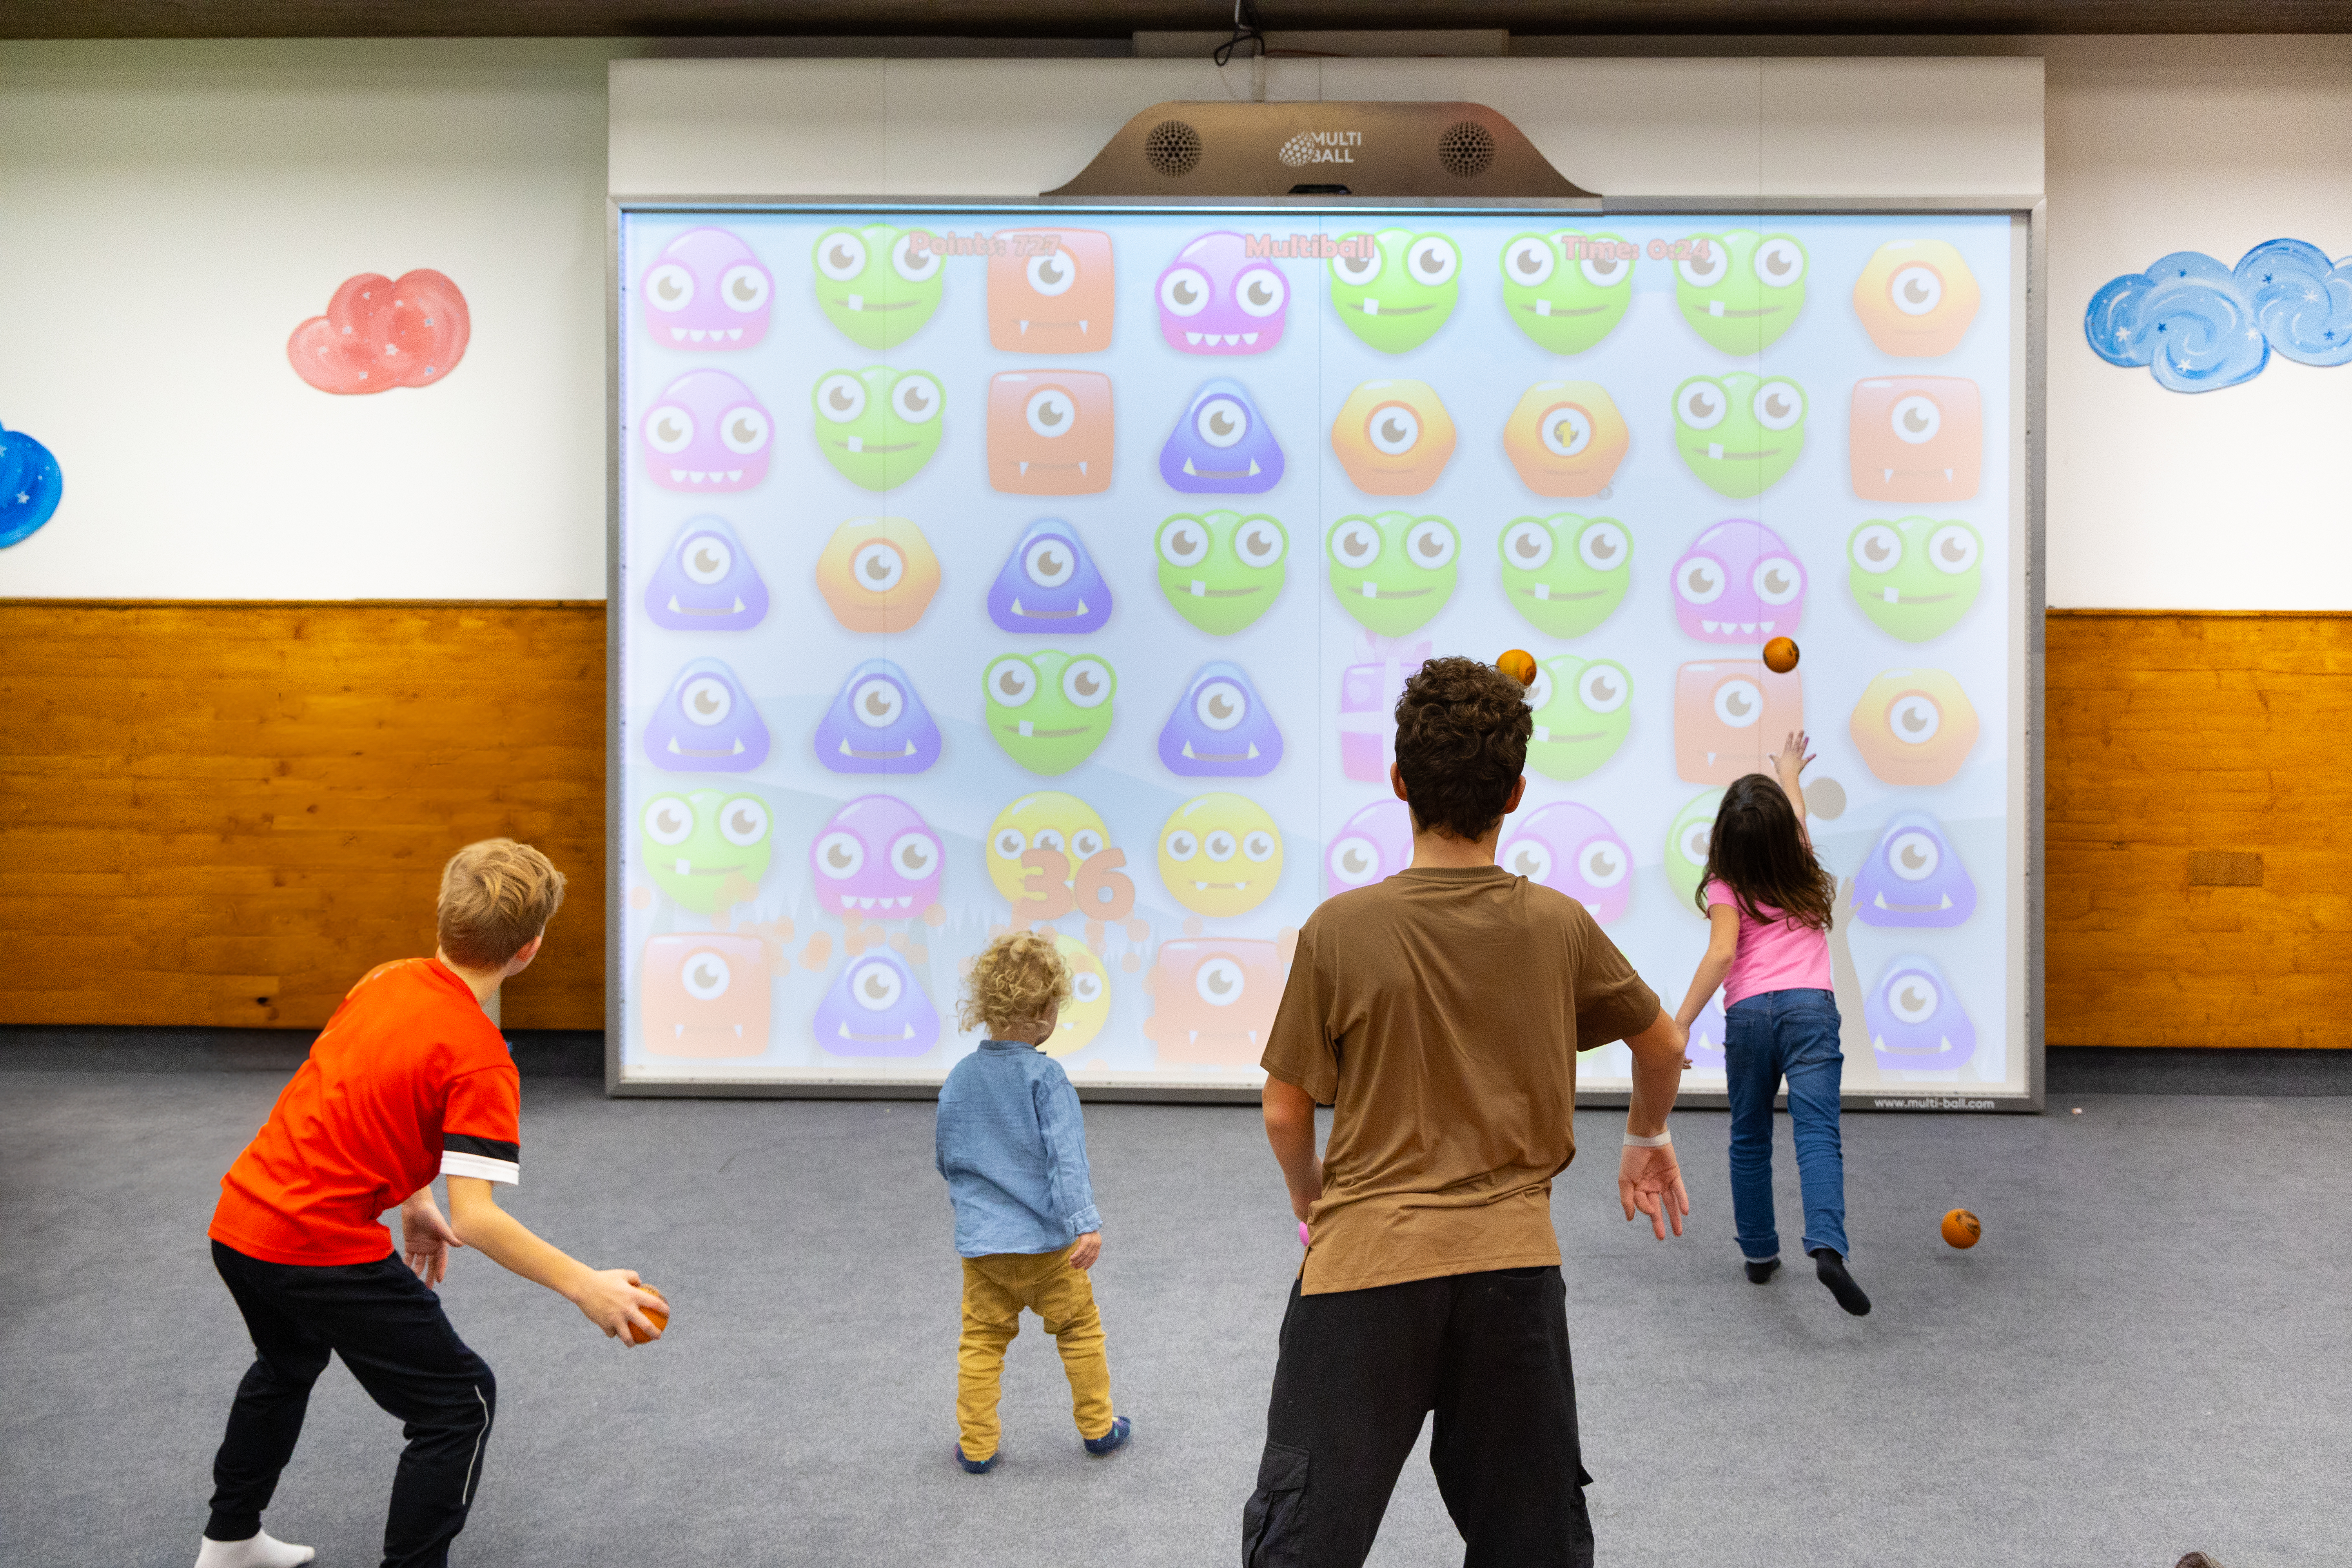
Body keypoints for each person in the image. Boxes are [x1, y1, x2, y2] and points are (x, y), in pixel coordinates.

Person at [1246, 655, 1691, 1568]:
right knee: (1533, 1544)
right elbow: (1664, 1044)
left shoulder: (1340, 927)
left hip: (1364, 1265)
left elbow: (1287, 1111)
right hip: (1513, 1273)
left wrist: (1311, 1198)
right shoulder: (1559, 924)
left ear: (1400, 780)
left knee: (1301, 1542)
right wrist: (1646, 1134)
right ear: (1518, 792)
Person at [196, 839, 666, 1568]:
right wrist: (587, 1287)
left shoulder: (385, 979)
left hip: (240, 1224)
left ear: (443, 920)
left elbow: (362, 1100)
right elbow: (476, 1217)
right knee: (458, 1404)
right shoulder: (481, 1058)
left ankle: (228, 1542)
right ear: (530, 950)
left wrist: (413, 1199)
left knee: (286, 1365)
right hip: (316, 1250)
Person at [1669, 732, 1871, 1317]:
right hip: (1811, 1010)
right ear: (1784, 834)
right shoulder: (1800, 857)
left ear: (1725, 842)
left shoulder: (1726, 883)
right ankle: (1828, 1248)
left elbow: (1722, 955)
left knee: (1750, 1134)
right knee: (1817, 1134)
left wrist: (1680, 1024)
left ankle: (1759, 1252)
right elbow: (1797, 812)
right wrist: (1789, 773)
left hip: (1751, 1017)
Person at [935, 931, 1131, 1474]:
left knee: (980, 1343)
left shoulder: (959, 1078)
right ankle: (1099, 1429)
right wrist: (1084, 1223)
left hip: (984, 1253)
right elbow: (1066, 1159)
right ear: (1047, 1012)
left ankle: (976, 1446)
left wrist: (974, 1211)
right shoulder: (1046, 1076)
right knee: (1079, 1332)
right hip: (1050, 1251)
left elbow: (946, 1155)